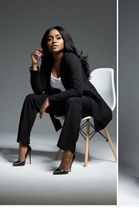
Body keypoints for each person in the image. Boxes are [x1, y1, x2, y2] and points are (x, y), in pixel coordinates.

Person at [13, 26, 112, 175]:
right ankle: (24, 146)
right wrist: (34, 65)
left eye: (58, 38)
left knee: (73, 101)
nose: (54, 41)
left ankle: (68, 153)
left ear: (65, 40)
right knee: (31, 99)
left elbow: (77, 91)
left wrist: (50, 99)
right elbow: (39, 91)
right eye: (50, 38)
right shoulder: (47, 61)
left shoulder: (70, 58)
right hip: (64, 102)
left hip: (87, 102)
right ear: (45, 43)